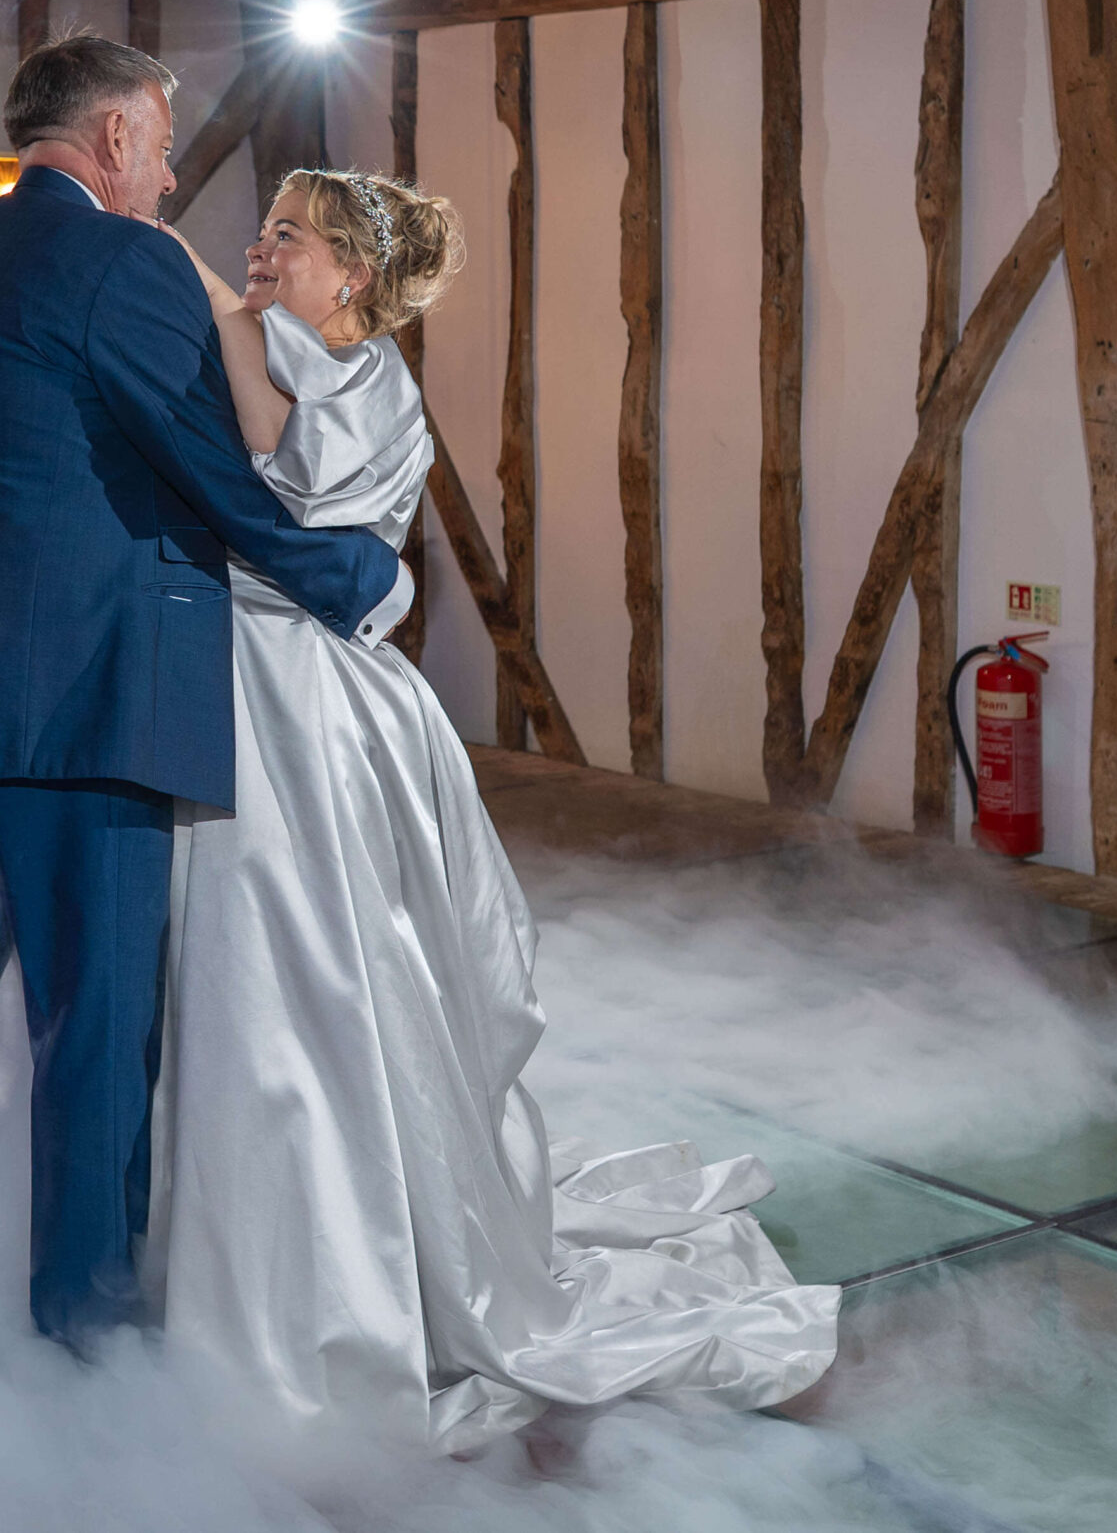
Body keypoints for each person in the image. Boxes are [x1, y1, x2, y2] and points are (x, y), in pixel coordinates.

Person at [148, 170, 840, 1451]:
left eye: (287, 233)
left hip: (301, 701)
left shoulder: (352, 377)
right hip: (265, 675)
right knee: (258, 967)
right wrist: (164, 245)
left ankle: (326, 1245)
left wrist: (185, 272)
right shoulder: (300, 346)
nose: (262, 247)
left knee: (305, 959)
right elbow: (234, 337)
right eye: (267, 229)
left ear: (350, 274)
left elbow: (260, 465)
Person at [0, 39, 413, 1350]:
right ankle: (85, 1330)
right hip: (77, 697)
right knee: (93, 1021)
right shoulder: (120, 260)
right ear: (109, 138)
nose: (165, 178)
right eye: (159, 148)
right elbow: (212, 469)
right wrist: (355, 578)